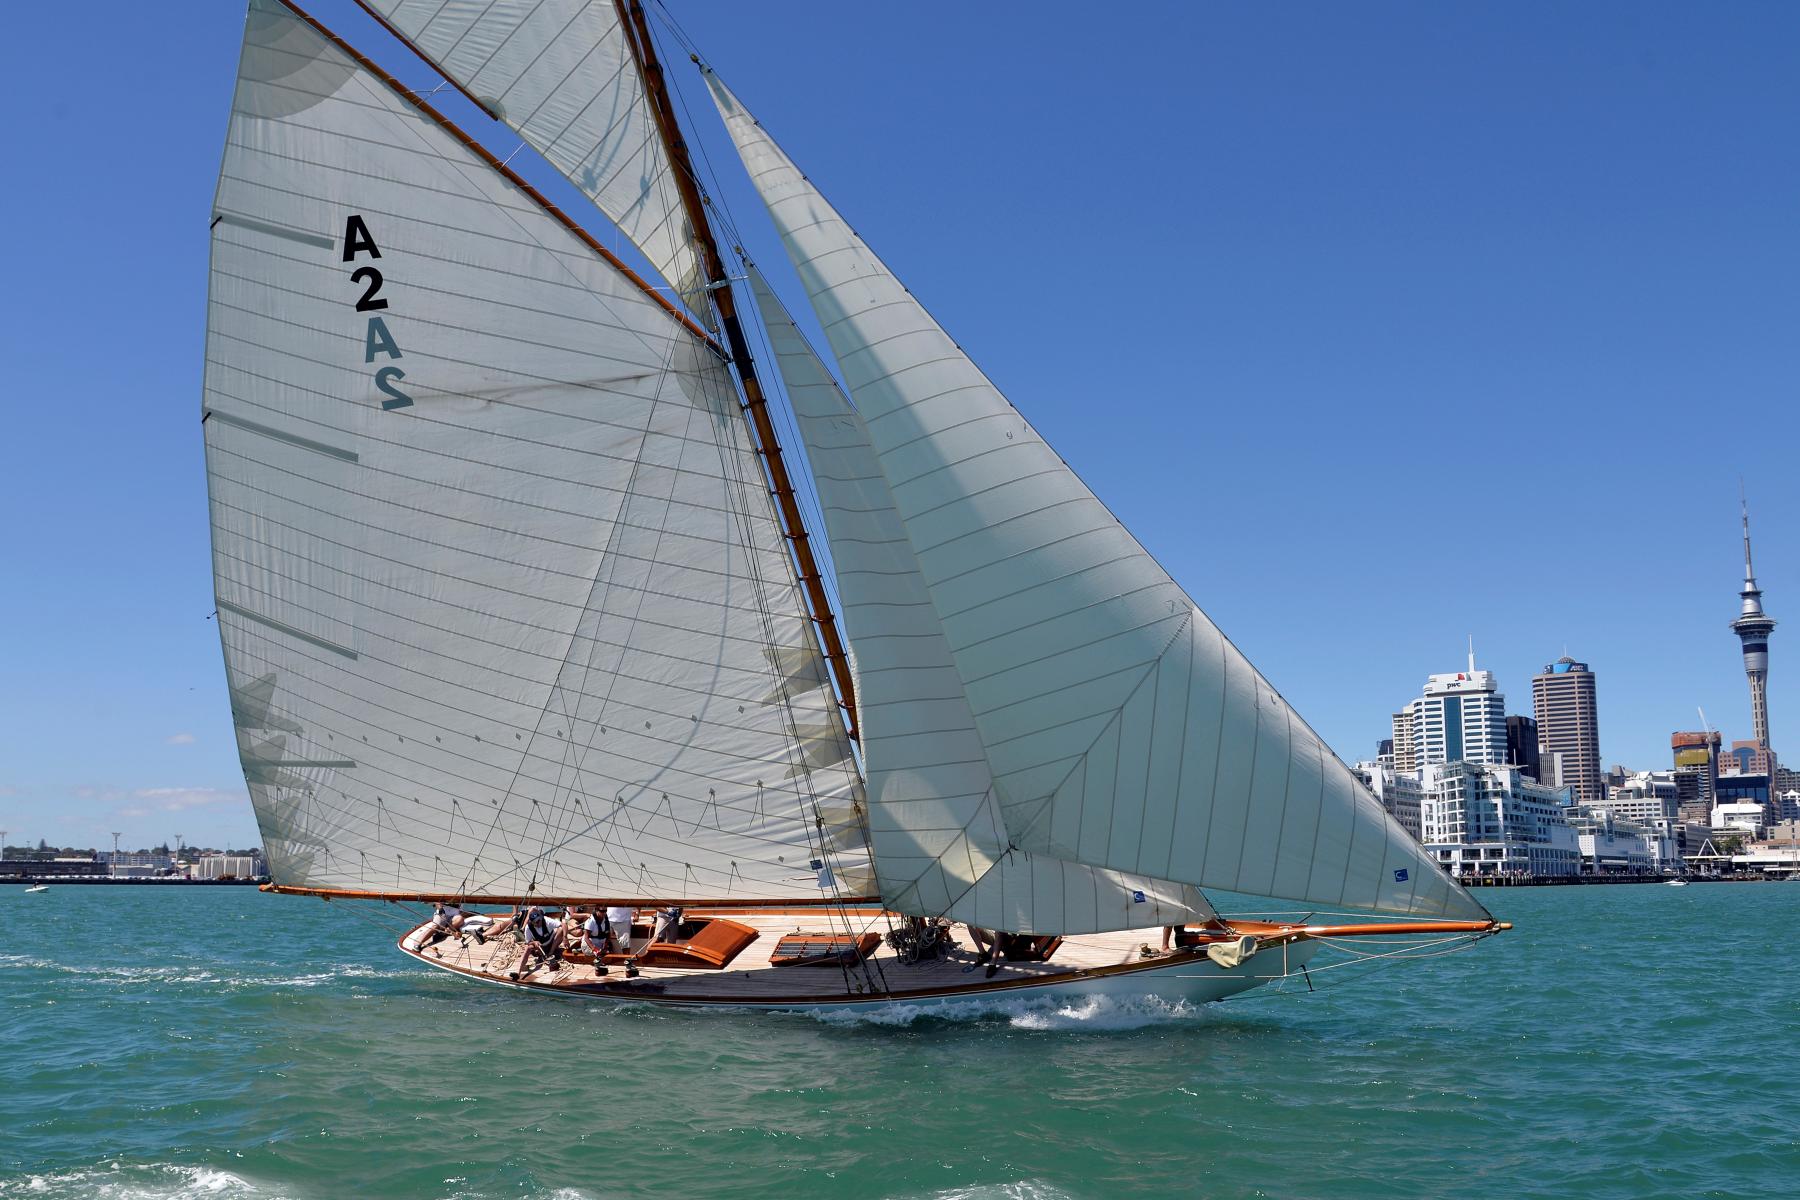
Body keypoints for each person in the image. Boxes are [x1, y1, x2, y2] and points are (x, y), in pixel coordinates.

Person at [508, 905, 565, 979]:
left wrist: (565, 938)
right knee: (528, 948)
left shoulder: (546, 920)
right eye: (536, 922)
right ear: (532, 922)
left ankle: (550, 954)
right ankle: (518, 972)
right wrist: (534, 942)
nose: (539, 923)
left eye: (539, 920)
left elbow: (563, 924)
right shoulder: (528, 928)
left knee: (560, 930)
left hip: (551, 942)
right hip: (540, 947)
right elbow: (528, 942)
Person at [577, 907, 613, 977]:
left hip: (601, 943)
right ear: (596, 910)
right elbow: (586, 938)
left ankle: (600, 960)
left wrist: (605, 945)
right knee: (597, 954)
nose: (604, 913)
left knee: (608, 952)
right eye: (602, 911)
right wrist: (594, 949)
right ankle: (598, 964)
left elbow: (608, 935)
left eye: (605, 911)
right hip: (590, 943)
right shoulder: (591, 921)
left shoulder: (606, 919)